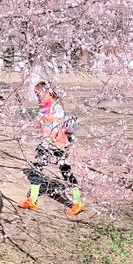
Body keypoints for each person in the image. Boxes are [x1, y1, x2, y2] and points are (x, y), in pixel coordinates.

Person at [18, 81, 84, 217]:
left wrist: (43, 117)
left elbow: (55, 123)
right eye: (36, 94)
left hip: (58, 145)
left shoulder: (56, 107)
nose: (38, 96)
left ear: (48, 92)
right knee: (36, 170)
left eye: (39, 93)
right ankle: (32, 200)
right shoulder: (44, 107)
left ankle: (77, 202)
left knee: (66, 173)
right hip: (46, 144)